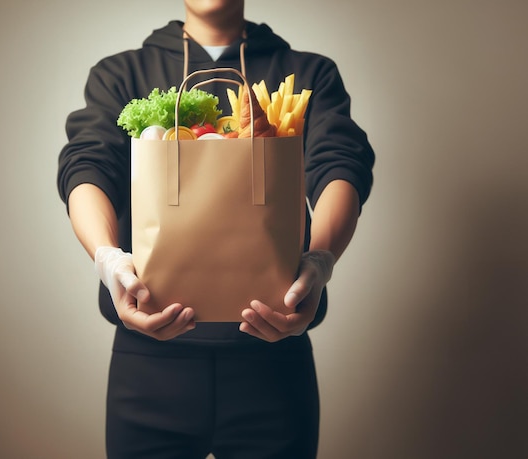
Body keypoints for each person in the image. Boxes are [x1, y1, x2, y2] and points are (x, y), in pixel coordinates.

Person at [57, 1, 374, 457]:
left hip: (275, 361)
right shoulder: (120, 73)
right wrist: (107, 257)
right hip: (147, 367)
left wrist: (320, 260)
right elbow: (86, 167)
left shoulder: (309, 73)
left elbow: (341, 166)